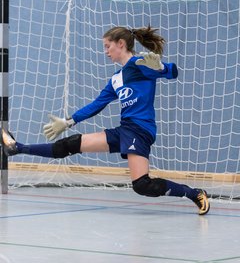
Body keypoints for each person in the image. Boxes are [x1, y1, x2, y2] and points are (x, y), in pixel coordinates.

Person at [1, 25, 210, 215]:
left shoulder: (139, 63)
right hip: (125, 129)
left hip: (139, 131)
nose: (105, 51)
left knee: (142, 185)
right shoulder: (116, 78)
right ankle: (17, 148)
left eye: (107, 46)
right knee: (70, 144)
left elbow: (173, 72)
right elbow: (97, 104)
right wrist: (68, 121)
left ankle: (194, 193)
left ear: (121, 44)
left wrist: (161, 68)